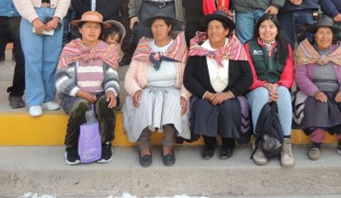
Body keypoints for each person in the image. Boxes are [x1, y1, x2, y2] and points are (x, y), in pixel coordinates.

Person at [11, 0, 70, 117]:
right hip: (32, 16)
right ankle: (35, 100)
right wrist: (34, 19)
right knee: (33, 60)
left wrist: (57, 18)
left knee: (51, 61)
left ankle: (48, 98)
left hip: (54, 16)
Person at [122, 14, 189, 166]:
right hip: (148, 89)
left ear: (169, 28)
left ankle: (168, 146)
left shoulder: (179, 47)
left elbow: (187, 77)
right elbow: (129, 76)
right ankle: (144, 146)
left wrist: (184, 96)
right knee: (143, 100)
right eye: (154, 26)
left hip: (172, 89)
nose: (158, 29)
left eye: (162, 26)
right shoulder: (144, 47)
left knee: (174, 101)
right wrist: (136, 90)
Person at [293, 16, 341, 160]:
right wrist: (315, 92)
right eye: (321, 33)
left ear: (333, 36)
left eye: (328, 33)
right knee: (318, 104)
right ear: (314, 35)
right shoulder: (305, 50)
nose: (324, 37)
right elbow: (300, 76)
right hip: (314, 89)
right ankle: (317, 143)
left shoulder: (340, 51)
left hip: (338, 88)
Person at [184, 11, 252, 160]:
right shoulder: (198, 50)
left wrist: (228, 94)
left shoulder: (236, 49)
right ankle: (209, 144)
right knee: (203, 106)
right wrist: (206, 94)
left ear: (226, 31)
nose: (214, 31)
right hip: (205, 93)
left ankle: (228, 144)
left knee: (229, 107)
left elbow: (247, 77)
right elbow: (188, 78)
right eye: (210, 28)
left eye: (218, 27)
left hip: (229, 94)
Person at [57, 11, 121, 164]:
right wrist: (80, 93)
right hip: (75, 95)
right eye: (88, 27)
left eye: (96, 28)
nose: (92, 31)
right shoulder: (70, 49)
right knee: (80, 105)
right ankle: (71, 145)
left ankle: (106, 143)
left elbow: (112, 75)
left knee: (106, 102)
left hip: (100, 92)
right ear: (80, 29)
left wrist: (111, 90)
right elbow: (61, 79)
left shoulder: (106, 49)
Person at [245, 13, 295, 166]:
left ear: (277, 30)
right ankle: (259, 141)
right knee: (261, 94)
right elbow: (248, 74)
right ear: (258, 29)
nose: (267, 30)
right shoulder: (249, 46)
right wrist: (265, 86)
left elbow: (289, 72)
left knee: (284, 93)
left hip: (278, 87)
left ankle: (285, 143)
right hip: (256, 89)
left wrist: (278, 86)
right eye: (263, 26)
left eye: (271, 27)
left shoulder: (285, 46)